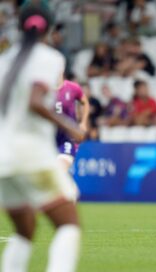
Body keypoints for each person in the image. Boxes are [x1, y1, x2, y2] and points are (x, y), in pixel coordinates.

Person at [0, 4, 84, 272]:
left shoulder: (5, 60)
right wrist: (68, 125)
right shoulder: (49, 58)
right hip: (30, 152)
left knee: (25, 230)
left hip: (4, 157)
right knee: (68, 224)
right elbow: (36, 101)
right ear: (49, 29)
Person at [56, 78, 90, 173]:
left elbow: (85, 103)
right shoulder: (44, 88)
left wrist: (83, 122)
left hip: (67, 139)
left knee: (60, 171)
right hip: (49, 138)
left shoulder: (72, 87)